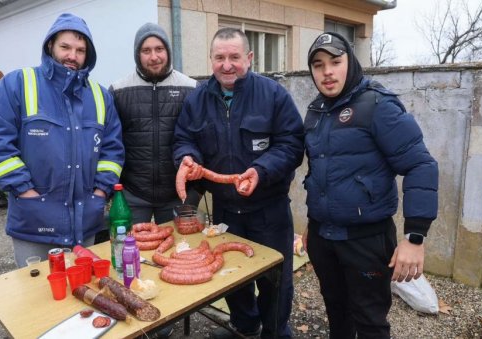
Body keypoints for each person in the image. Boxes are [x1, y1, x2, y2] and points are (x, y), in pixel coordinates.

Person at [302, 32, 439, 338]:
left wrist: (414, 237)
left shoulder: (377, 104)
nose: (327, 72)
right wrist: (314, 221)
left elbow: (421, 165)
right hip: (324, 239)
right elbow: (319, 170)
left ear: (350, 62)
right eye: (318, 65)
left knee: (369, 320)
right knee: (336, 311)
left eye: (335, 62)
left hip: (366, 241)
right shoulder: (315, 111)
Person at [173, 27, 305, 339]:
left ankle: (274, 331)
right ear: (211, 60)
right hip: (226, 212)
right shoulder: (198, 100)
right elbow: (184, 138)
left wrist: (261, 170)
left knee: (276, 280)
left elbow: (291, 144)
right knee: (233, 278)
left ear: (249, 57)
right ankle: (245, 328)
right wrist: (188, 158)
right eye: (220, 57)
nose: (227, 64)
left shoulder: (273, 94)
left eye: (234, 57)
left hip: (269, 209)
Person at [0, 13, 124, 268]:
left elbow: (112, 152)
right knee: (36, 299)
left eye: (80, 50)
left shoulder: (100, 96)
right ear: (50, 46)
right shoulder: (17, 84)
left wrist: (100, 192)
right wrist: (26, 192)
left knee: (82, 296)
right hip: (35, 222)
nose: (72, 56)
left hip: (85, 221)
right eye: (65, 47)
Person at [109, 22, 200, 227]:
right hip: (133, 194)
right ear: (137, 54)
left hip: (179, 193)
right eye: (146, 50)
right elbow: (111, 143)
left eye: (159, 49)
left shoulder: (191, 88)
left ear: (167, 51)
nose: (154, 57)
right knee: (131, 253)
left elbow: (201, 140)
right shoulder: (118, 90)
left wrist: (197, 189)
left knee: (179, 253)